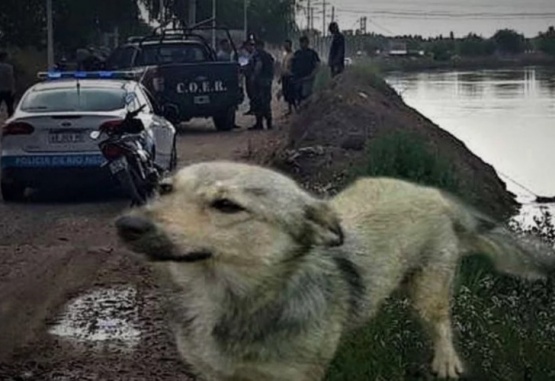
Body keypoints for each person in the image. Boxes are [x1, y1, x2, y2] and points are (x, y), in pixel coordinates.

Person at [249, 39, 275, 130]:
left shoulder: (258, 55)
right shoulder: (268, 56)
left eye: (256, 46)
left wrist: (254, 77)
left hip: (260, 82)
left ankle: (260, 123)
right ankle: (268, 124)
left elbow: (258, 67)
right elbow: (272, 68)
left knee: (259, 102)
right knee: (265, 102)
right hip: (266, 82)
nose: (255, 47)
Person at [291, 36, 320, 106]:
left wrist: (313, 74)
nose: (302, 44)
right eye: (301, 42)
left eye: (304, 42)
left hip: (308, 78)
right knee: (298, 94)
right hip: (298, 78)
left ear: (307, 43)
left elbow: (317, 64)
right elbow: (292, 64)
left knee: (306, 94)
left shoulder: (312, 53)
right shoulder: (297, 53)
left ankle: (307, 110)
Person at [279, 39, 295, 114]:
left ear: (290, 46)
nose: (285, 47)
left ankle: (294, 108)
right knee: (286, 93)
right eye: (285, 45)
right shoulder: (285, 55)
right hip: (285, 76)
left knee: (291, 93)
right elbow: (283, 67)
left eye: (287, 45)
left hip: (290, 76)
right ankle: (290, 109)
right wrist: (280, 77)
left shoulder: (293, 55)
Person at [0, 51, 15, 118]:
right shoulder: (8, 67)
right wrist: (12, 89)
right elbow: (10, 79)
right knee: (10, 107)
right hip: (7, 90)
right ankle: (10, 119)